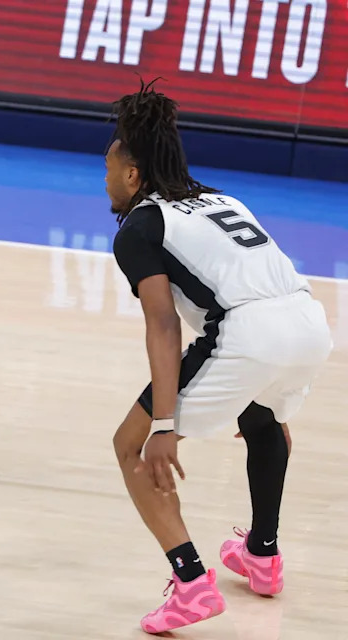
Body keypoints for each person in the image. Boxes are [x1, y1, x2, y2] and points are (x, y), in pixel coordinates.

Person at [106, 79, 332, 634]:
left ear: (133, 174)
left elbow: (161, 325)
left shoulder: (140, 226)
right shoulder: (224, 199)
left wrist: (164, 423)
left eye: (109, 166)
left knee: (132, 447)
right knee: (263, 419)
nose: (106, 178)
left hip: (248, 333)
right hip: (309, 322)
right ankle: (262, 553)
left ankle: (191, 585)